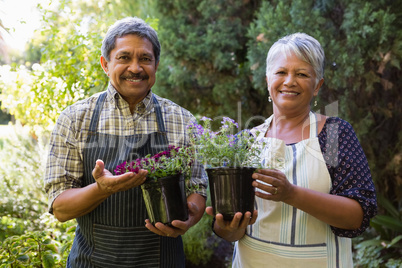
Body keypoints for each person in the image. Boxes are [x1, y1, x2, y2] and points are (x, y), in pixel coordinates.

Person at [44, 17, 208, 268]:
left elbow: (197, 188)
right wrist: (102, 189)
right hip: (91, 261)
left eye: (145, 58)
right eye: (124, 57)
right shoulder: (75, 118)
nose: (136, 68)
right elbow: (60, 208)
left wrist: (189, 218)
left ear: (156, 65)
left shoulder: (181, 119)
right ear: (105, 64)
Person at [206, 33, 377, 267]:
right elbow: (232, 232)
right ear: (268, 80)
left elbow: (358, 216)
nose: (289, 81)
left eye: (302, 74)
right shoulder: (247, 140)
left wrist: (291, 194)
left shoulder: (334, 134)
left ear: (317, 85)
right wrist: (227, 228)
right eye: (281, 72)